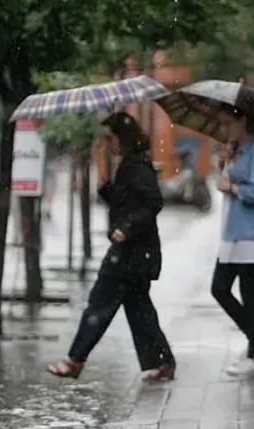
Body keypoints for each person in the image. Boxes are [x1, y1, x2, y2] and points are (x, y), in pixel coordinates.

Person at [48, 112, 176, 382]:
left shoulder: (137, 166)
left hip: (131, 252)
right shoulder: (130, 164)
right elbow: (126, 200)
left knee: (99, 304)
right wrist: (106, 187)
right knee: (139, 309)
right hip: (138, 253)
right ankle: (162, 361)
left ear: (123, 137)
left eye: (110, 138)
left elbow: (153, 202)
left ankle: (75, 360)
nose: (108, 144)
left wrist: (125, 229)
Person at [212, 105, 254, 377]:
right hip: (233, 231)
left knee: (249, 292)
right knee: (220, 288)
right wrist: (225, 165)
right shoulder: (236, 152)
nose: (225, 130)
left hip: (253, 233)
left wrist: (232, 186)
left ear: (243, 121)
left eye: (228, 123)